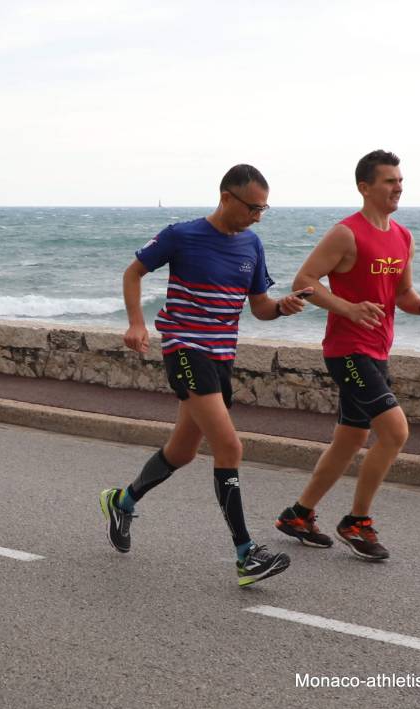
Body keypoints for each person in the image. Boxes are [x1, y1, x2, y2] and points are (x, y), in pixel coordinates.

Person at [100, 164, 309, 586]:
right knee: (229, 446)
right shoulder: (182, 235)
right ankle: (246, 554)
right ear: (227, 197)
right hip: (184, 350)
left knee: (181, 451)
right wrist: (137, 323)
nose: (258, 215)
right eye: (253, 207)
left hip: (221, 358)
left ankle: (122, 501)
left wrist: (281, 308)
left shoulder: (253, 245)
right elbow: (133, 272)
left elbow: (260, 308)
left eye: (264, 208)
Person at [275, 150, 420, 560]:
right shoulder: (345, 234)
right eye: (389, 181)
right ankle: (357, 521)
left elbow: (402, 293)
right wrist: (348, 308)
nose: (398, 187)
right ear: (364, 187)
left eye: (400, 180)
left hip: (377, 349)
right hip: (347, 350)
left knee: (350, 439)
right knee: (395, 432)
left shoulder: (403, 237)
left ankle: (298, 514)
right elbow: (304, 280)